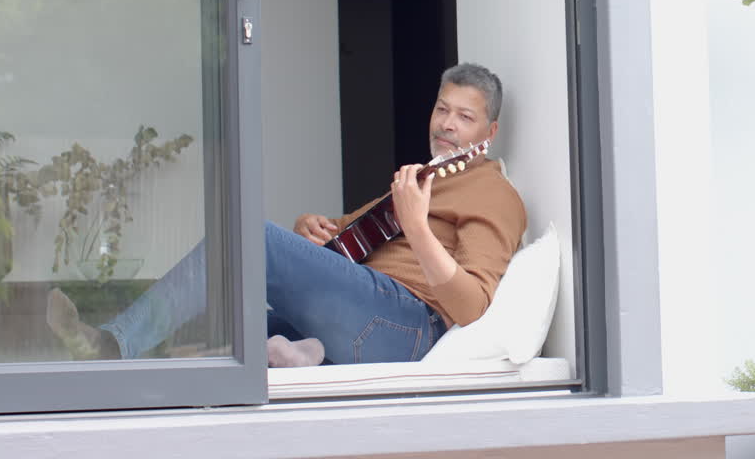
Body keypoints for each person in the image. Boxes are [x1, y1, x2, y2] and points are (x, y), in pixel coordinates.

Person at [46, 63, 527, 366]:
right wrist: (311, 229)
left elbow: (471, 306)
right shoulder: (423, 179)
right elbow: (347, 234)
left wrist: (418, 227)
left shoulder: (494, 194)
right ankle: (295, 355)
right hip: (365, 316)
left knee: (251, 240)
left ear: (491, 129)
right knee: (227, 334)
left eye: (465, 116)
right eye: (442, 109)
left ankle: (111, 346)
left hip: (406, 327)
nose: (447, 124)